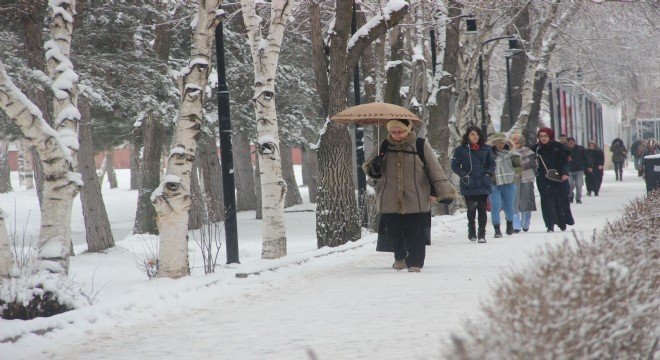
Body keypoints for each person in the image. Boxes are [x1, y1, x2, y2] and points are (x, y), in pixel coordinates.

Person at [363, 119, 456, 273]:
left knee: (416, 232)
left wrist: (439, 192)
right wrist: (375, 165)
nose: (397, 135)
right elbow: (373, 174)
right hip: (389, 198)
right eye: (393, 132)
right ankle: (400, 257)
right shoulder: (383, 146)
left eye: (400, 131)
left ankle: (415, 263)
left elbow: (434, 169)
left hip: (416, 197)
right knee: (394, 232)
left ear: (408, 129)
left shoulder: (420, 145)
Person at [451, 126, 496, 243]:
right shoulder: (461, 150)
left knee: (482, 209)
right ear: (468, 136)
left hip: (483, 183)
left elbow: (492, 164)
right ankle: (471, 230)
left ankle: (482, 234)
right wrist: (464, 174)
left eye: (476, 134)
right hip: (468, 184)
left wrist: (488, 173)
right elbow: (454, 165)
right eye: (472, 134)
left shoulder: (486, 149)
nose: (475, 137)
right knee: (471, 209)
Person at [530, 128, 575, 232]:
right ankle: (550, 224)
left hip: (559, 177)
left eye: (545, 136)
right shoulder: (536, 148)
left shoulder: (558, 147)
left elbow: (565, 161)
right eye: (541, 136)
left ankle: (562, 221)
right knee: (546, 201)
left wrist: (564, 173)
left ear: (550, 136)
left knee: (561, 200)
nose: (543, 138)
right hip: (543, 178)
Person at [486, 132, 522, 238]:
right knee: (495, 205)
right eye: (497, 142)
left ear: (506, 142)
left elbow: (518, 168)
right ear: (494, 144)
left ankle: (509, 223)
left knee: (508, 206)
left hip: (509, 183)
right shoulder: (489, 155)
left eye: (501, 142)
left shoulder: (512, 154)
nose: (499, 144)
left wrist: (513, 174)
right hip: (494, 184)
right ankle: (497, 229)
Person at [510, 133, 537, 233]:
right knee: (514, 201)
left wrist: (531, 173)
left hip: (527, 177)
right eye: (513, 141)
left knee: (527, 201)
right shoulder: (509, 153)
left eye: (517, 141)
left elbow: (534, 166)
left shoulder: (528, 152)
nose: (515, 143)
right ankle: (516, 225)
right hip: (513, 179)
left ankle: (525, 222)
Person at [566, 137, 587, 204]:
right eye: (569, 143)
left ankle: (578, 198)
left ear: (575, 143)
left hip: (579, 170)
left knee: (579, 185)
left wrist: (584, 165)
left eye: (572, 143)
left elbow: (585, 158)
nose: (571, 145)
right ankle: (570, 196)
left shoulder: (580, 149)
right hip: (569, 170)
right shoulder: (564, 150)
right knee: (570, 184)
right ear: (567, 144)